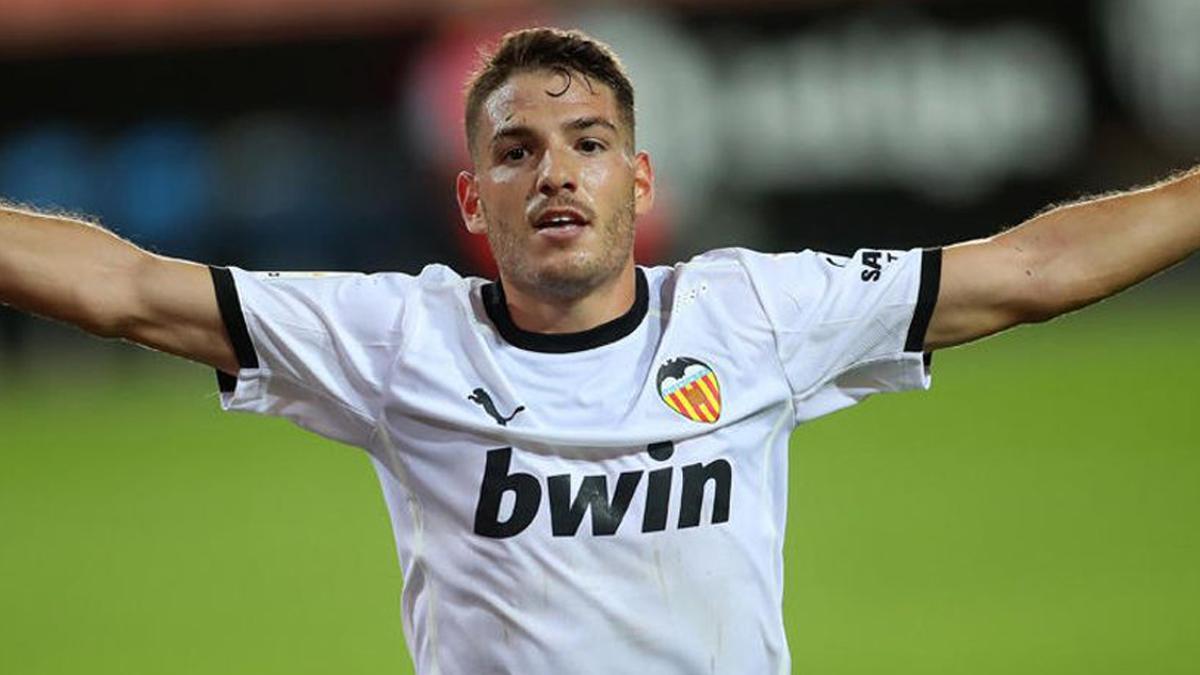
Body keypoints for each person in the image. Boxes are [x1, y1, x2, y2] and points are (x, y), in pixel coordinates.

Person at [0, 26, 1196, 674]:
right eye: (516, 151)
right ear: (475, 202)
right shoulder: (396, 340)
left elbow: (1032, 270)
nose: (554, 170)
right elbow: (127, 288)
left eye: (586, 142)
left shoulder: (757, 313)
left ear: (639, 181)